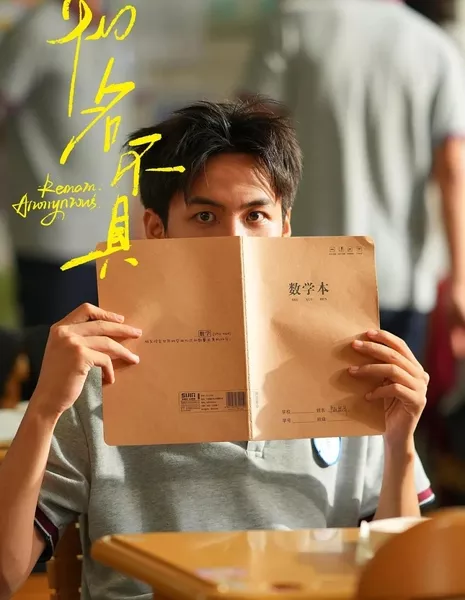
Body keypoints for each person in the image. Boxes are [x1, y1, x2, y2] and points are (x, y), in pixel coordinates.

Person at [0, 98, 433, 600]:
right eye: (205, 215)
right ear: (157, 231)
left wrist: (399, 441)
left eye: (256, 215)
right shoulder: (97, 377)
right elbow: (6, 575)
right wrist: (44, 408)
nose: (234, 240)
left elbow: (403, 585)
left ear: (284, 229)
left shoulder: (356, 372)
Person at [239, 0, 465, 361]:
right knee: (395, 395)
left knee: (295, 397)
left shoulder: (290, 26)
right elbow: (452, 170)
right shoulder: (435, 47)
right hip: (397, 280)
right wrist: (460, 281)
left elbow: (246, 145)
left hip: (300, 272)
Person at [0, 0, 134, 327]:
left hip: (110, 234)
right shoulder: (38, 30)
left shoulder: (114, 32)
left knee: (105, 349)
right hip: (53, 235)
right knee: (53, 348)